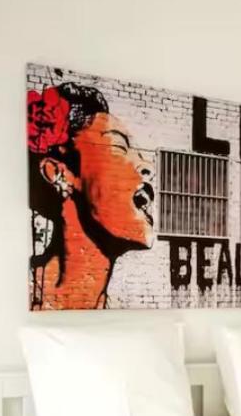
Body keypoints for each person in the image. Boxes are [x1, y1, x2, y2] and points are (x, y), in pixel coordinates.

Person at [28, 82, 155, 309]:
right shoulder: (16, 295)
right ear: (59, 172)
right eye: (119, 146)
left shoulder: (114, 309)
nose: (149, 167)